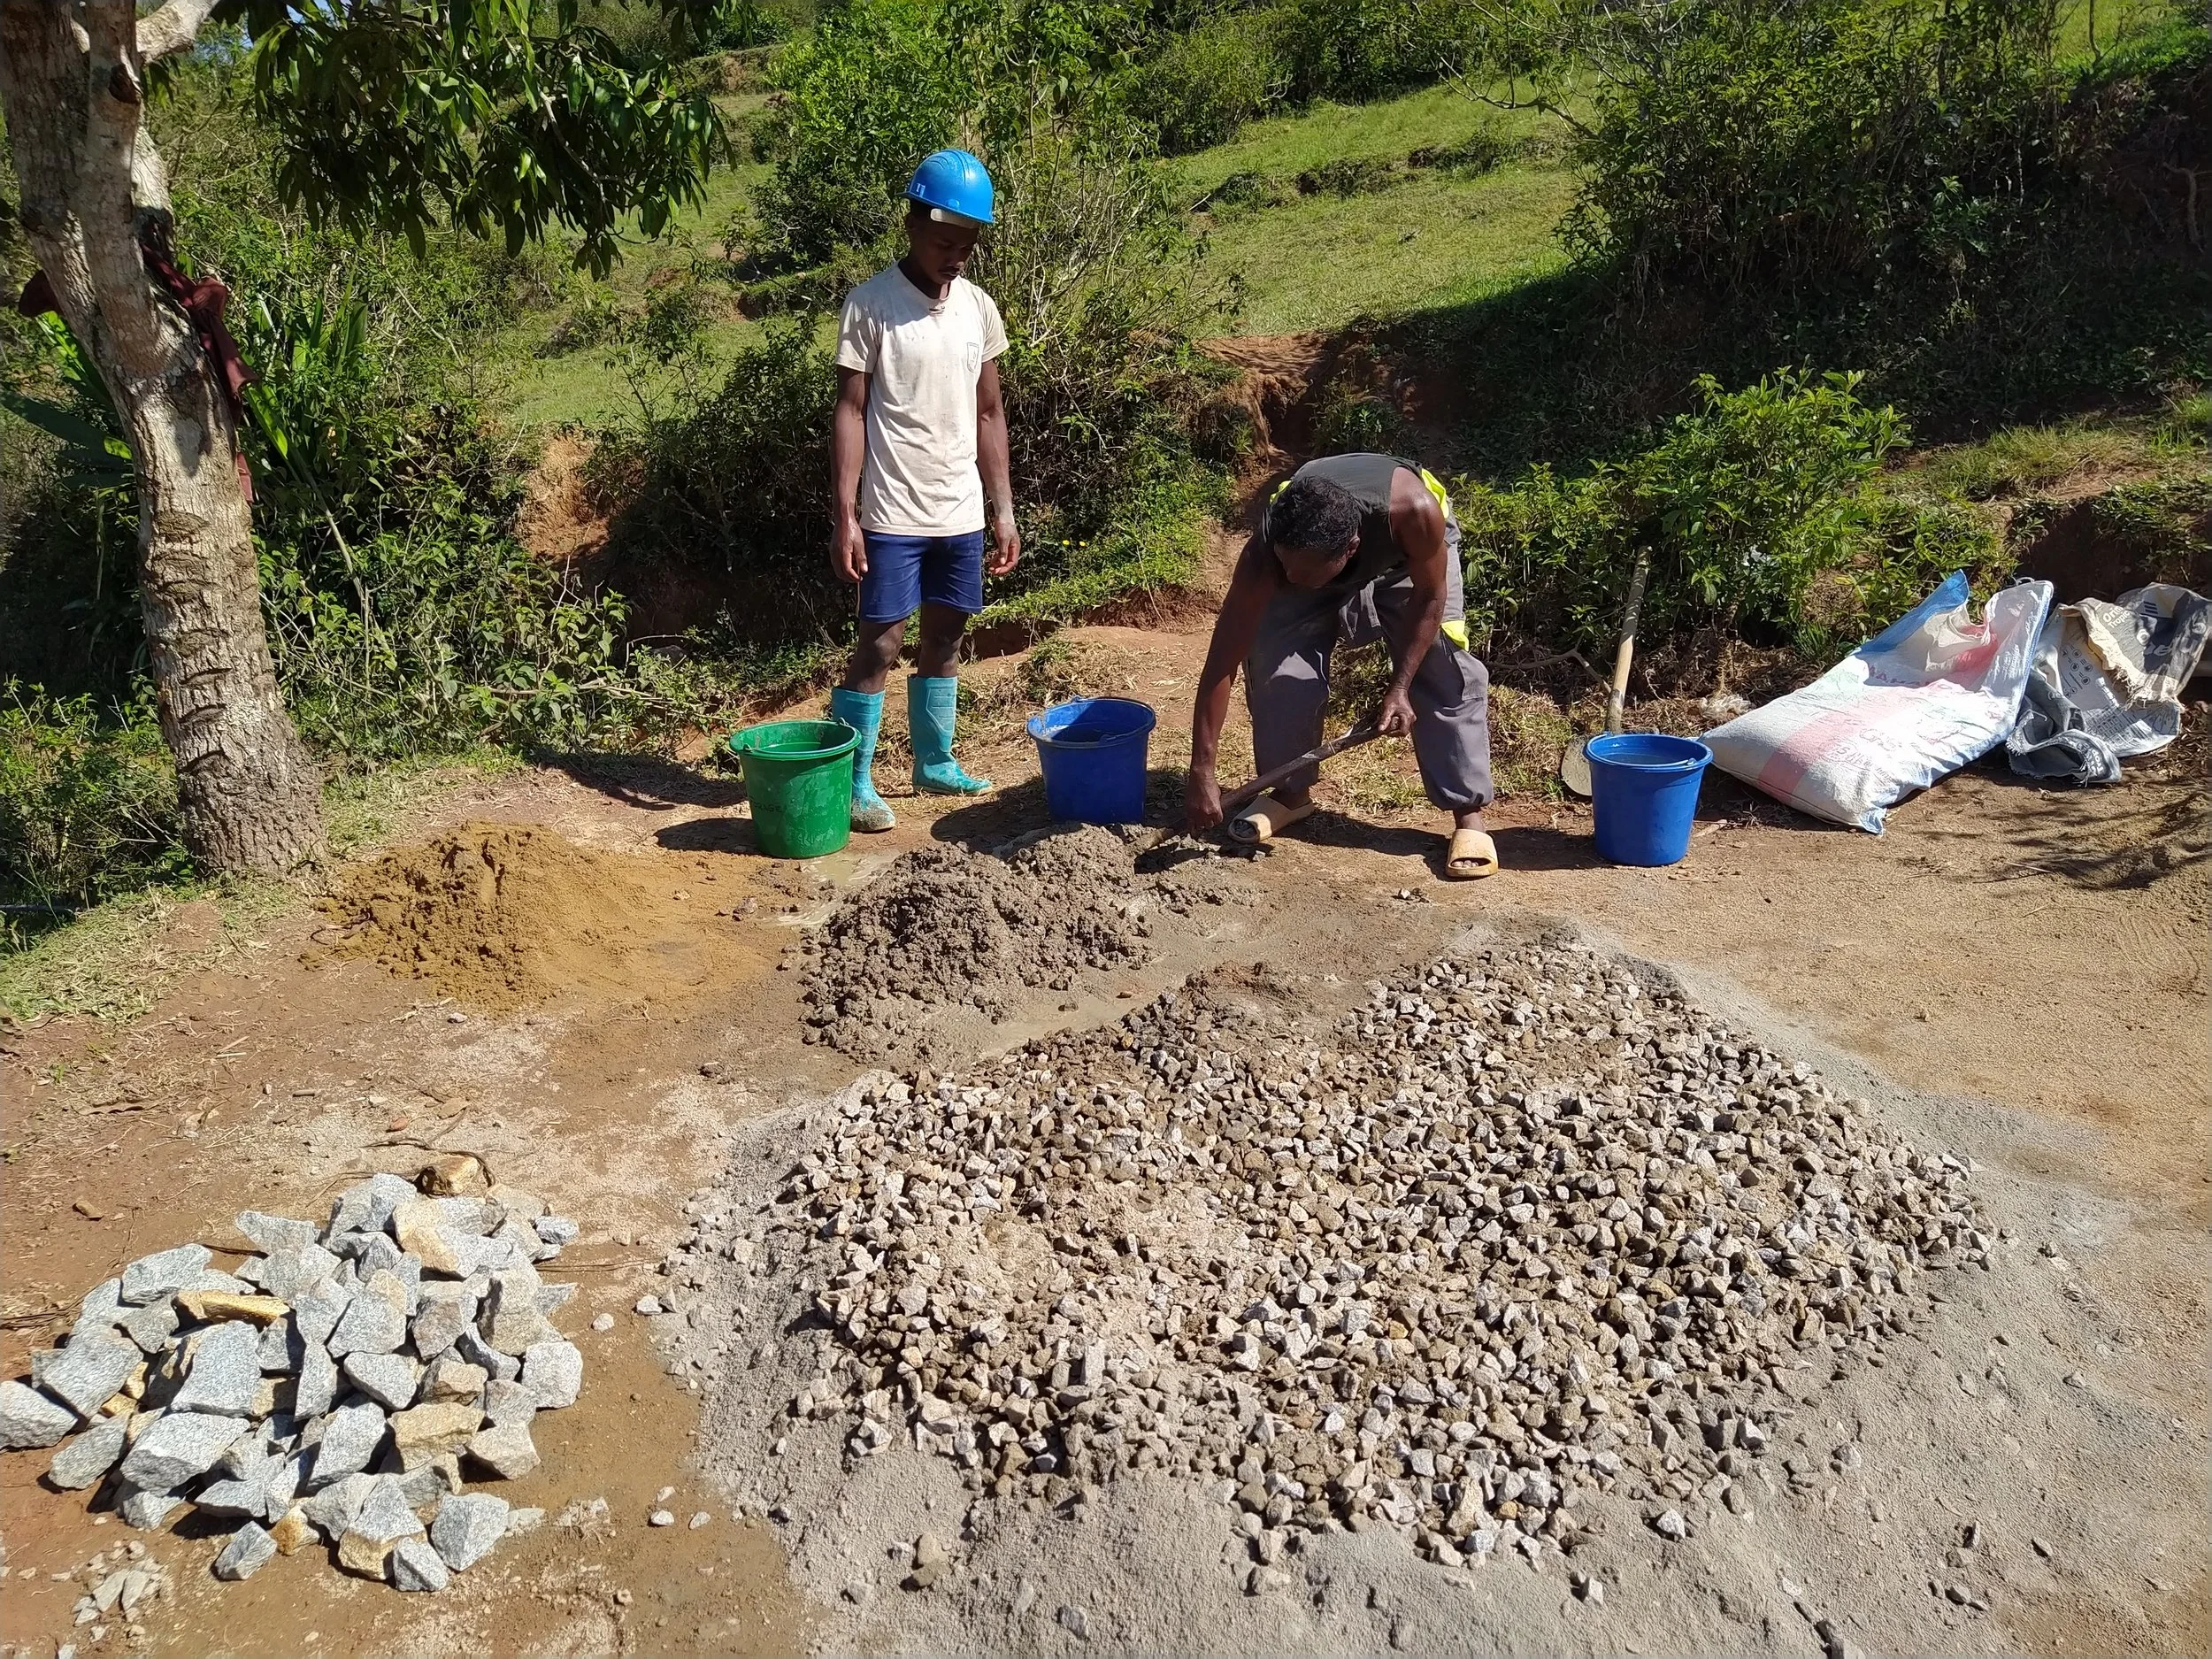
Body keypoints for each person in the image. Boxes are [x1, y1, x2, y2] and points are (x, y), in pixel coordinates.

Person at [1184, 452, 1500, 879]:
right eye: (1286, 566)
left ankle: (1467, 812)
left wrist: (1400, 686)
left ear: (1350, 550)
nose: (1291, 579)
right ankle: (1290, 794)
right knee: (1280, 673)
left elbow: (1430, 597)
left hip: (1405, 563)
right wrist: (1202, 770)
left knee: (1441, 668)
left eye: (1303, 573)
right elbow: (1222, 661)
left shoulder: (1416, 512)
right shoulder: (1272, 555)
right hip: (1311, 551)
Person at [826, 148, 1021, 832]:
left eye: (967, 245)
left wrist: (1002, 507)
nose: (956, 257)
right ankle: (853, 779)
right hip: (891, 511)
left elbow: (990, 413)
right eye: (945, 242)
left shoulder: (978, 310)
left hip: (959, 510)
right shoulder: (870, 306)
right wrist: (845, 515)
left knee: (946, 638)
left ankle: (934, 761)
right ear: (912, 226)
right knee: (879, 643)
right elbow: (850, 412)